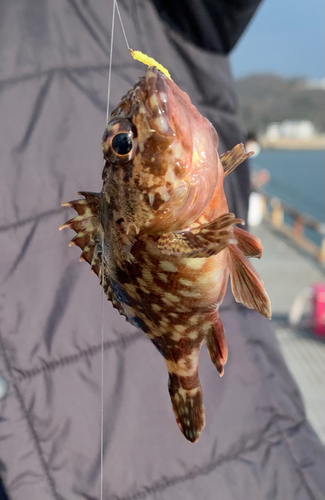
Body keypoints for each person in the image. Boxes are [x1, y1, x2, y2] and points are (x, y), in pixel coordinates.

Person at [0, 1, 324, 499]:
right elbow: (195, 234)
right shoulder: (170, 217)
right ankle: (185, 372)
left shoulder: (173, 16)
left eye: (122, 143)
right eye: (125, 146)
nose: (133, 133)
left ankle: (184, 368)